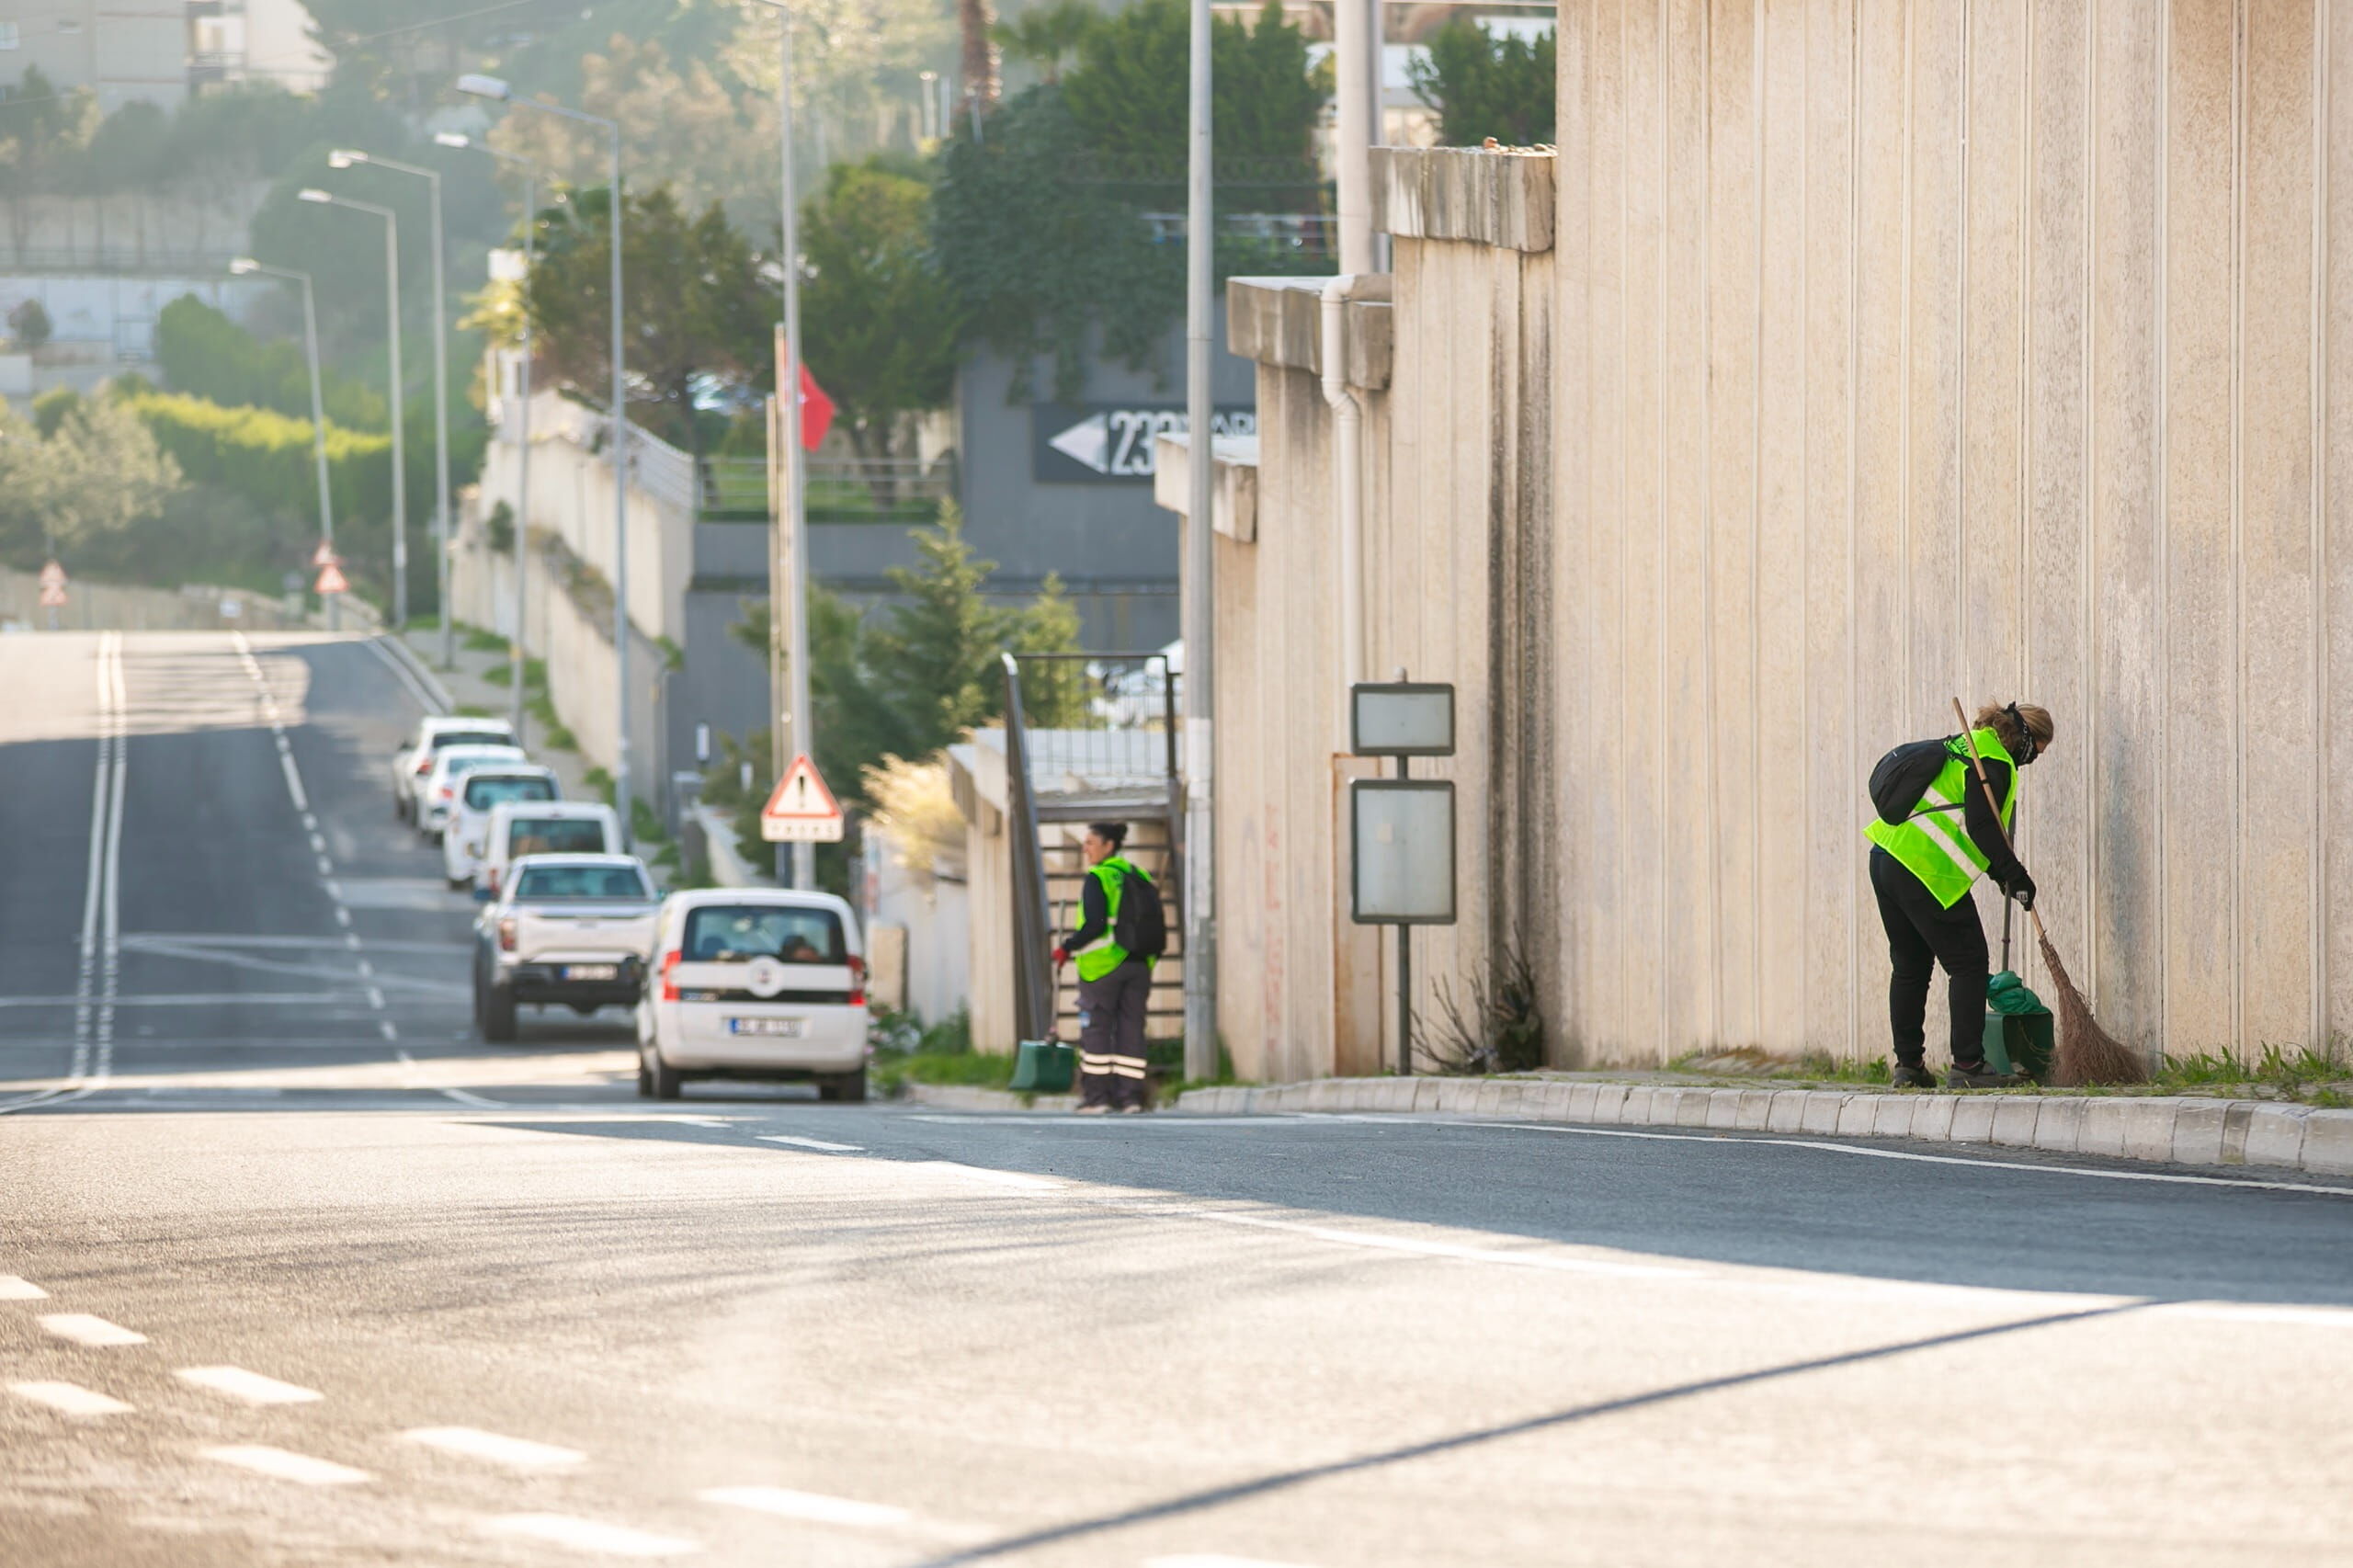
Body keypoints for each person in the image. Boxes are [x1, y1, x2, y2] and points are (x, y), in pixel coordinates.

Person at [1863, 701, 2054, 1089]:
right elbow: (1982, 827)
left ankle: (1909, 1066)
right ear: (2025, 739)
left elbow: (1957, 819)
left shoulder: (1964, 747)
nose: (2033, 760)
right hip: (1924, 866)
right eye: (2037, 751)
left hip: (1886, 856)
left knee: (1910, 965)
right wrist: (2016, 875)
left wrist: (2001, 875)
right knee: (1968, 963)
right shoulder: (1993, 760)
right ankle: (1969, 1066)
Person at [1053, 822, 1157, 1114]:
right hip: (1140, 964)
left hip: (1103, 966)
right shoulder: (1138, 875)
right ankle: (1131, 1099)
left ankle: (1098, 1099)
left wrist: (1067, 947)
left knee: (1097, 1028)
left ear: (1108, 845)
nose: (1085, 848)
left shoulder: (1098, 877)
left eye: (1090, 843)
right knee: (1131, 1029)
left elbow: (1096, 925)